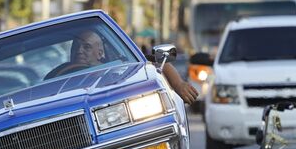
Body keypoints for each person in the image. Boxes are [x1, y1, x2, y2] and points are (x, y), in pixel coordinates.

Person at [45, 30, 198, 105]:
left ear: (100, 52)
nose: (79, 51)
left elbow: (155, 62)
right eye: (76, 47)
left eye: (86, 47)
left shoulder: (123, 68)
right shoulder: (57, 75)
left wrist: (178, 84)